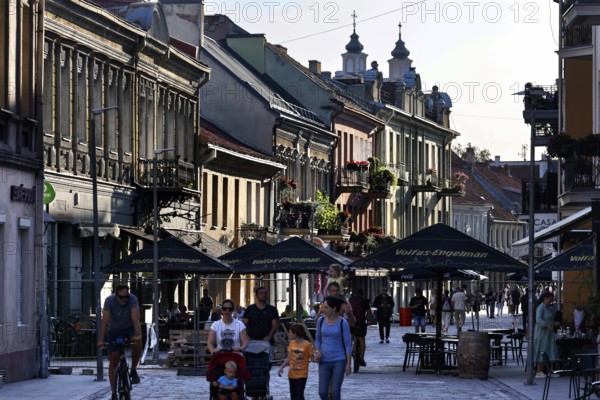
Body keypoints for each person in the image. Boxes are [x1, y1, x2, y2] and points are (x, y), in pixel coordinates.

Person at [96, 285, 142, 400]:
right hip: (115, 330)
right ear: (116, 295)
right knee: (113, 359)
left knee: (138, 344)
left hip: (129, 328)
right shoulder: (109, 301)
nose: (124, 300)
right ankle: (113, 392)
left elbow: (134, 318)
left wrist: (137, 334)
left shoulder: (132, 299)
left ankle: (133, 369)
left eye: (126, 297)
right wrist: (101, 340)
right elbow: (105, 321)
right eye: (121, 297)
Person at [314, 296, 352, 400]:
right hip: (324, 360)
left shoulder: (342, 323)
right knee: (322, 392)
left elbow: (348, 344)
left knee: (335, 391)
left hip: (339, 360)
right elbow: (317, 340)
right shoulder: (320, 321)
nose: (323, 310)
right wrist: (317, 351)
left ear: (334, 308)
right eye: (322, 307)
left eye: (326, 308)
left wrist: (348, 364)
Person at [278, 323, 314, 400]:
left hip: (302, 375)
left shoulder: (307, 345)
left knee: (299, 396)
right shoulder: (291, 343)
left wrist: (317, 356)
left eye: (290, 332)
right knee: (293, 396)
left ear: (295, 334)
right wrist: (281, 367)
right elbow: (288, 358)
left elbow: (313, 359)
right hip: (292, 374)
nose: (289, 334)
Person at [533, 292, 559, 378]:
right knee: (542, 349)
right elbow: (538, 320)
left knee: (550, 350)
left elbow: (548, 319)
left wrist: (554, 323)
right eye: (550, 299)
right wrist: (547, 325)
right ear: (545, 299)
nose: (551, 301)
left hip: (548, 334)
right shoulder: (541, 307)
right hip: (542, 334)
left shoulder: (547, 308)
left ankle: (550, 370)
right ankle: (539, 370)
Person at [348, 287, 373, 367]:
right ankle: (361, 358)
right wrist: (370, 320)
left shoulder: (349, 301)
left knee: (349, 339)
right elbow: (369, 313)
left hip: (351, 323)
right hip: (361, 323)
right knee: (362, 340)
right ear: (362, 294)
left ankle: (349, 352)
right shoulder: (364, 301)